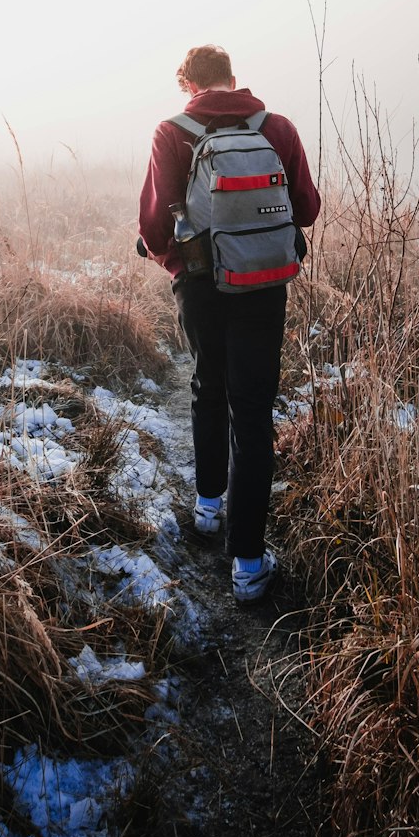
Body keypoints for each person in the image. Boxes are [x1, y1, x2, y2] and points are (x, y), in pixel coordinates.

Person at [138, 45, 321, 602]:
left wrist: (175, 260)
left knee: (207, 386)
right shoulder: (278, 127)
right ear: (234, 80)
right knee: (254, 409)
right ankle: (247, 565)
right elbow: (306, 208)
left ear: (187, 84)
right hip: (263, 286)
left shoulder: (172, 131)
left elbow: (153, 224)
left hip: (199, 286)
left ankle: (208, 508)